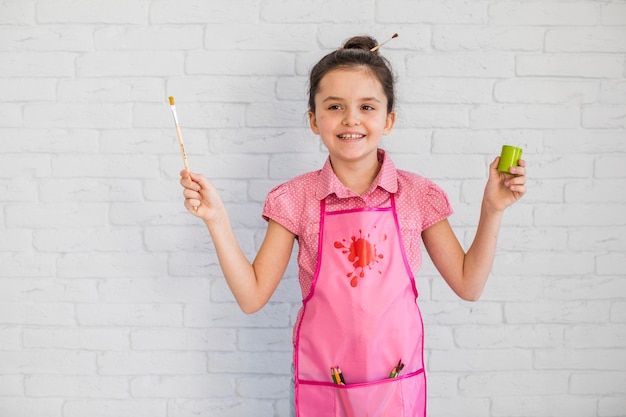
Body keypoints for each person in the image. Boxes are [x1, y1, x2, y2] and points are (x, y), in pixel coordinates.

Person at [180, 35, 527, 417]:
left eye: (367, 106)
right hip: (323, 385)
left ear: (388, 119)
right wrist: (216, 219)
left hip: (397, 385)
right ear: (313, 120)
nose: (351, 119)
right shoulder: (294, 199)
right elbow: (252, 297)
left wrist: (492, 209)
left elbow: (469, 284)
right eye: (334, 106)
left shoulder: (418, 195)